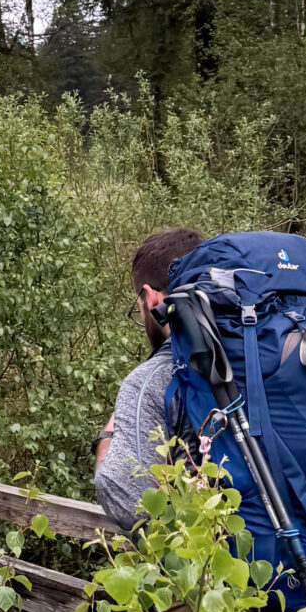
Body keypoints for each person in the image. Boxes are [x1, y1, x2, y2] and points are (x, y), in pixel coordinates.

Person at [93, 225, 204, 531]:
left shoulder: (151, 381)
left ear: (150, 298)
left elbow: (129, 502)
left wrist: (108, 436)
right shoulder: (259, 354)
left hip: (207, 571)